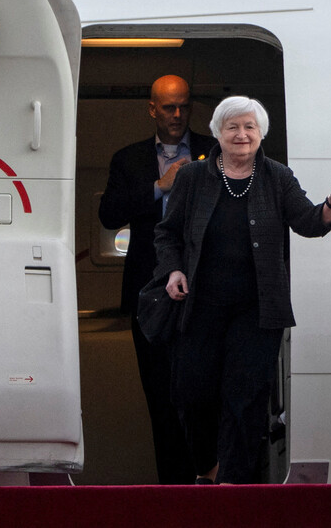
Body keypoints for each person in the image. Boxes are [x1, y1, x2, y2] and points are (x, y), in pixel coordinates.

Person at [153, 95, 331, 484]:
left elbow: (307, 221)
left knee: (244, 400)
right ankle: (208, 470)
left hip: (257, 310)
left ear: (261, 134)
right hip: (200, 307)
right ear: (218, 132)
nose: (242, 134)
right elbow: (166, 233)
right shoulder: (192, 178)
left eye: (249, 127)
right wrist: (173, 270)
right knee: (192, 395)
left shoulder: (276, 176)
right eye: (232, 127)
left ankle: (233, 484)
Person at [99, 75, 218, 484]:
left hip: (206, 290)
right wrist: (158, 187)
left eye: (184, 105)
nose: (177, 114)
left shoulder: (214, 151)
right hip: (149, 294)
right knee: (160, 396)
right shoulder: (128, 159)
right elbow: (109, 215)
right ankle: (173, 488)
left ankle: (211, 481)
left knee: (204, 392)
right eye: (168, 107)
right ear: (152, 109)